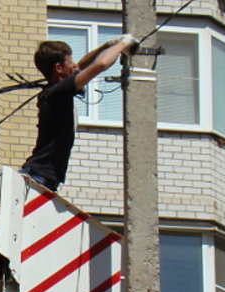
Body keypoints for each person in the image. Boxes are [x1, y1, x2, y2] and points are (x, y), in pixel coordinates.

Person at [21, 34, 138, 191]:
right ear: (59, 68)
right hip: (39, 176)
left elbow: (82, 65)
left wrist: (108, 45)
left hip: (41, 175)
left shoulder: (55, 90)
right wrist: (124, 43)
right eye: (70, 61)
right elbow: (101, 64)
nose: (75, 65)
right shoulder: (58, 92)